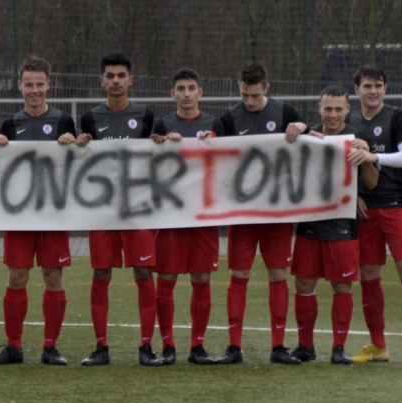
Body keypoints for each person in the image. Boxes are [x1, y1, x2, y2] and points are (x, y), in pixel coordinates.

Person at [0, 56, 77, 366]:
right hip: (20, 215)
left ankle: (50, 347)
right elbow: (0, 169)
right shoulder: (10, 124)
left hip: (53, 213)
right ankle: (14, 347)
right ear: (20, 86)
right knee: (17, 277)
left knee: (53, 277)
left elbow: (76, 166)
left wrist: (73, 143)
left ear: (48, 85)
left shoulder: (64, 121)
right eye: (29, 84)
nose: (34, 90)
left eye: (40, 84)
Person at [216, 62, 308, 365]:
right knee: (239, 275)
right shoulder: (229, 118)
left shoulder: (285, 113)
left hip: (277, 212)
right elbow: (212, 155)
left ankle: (278, 347)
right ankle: (234, 347)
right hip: (242, 214)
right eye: (245, 95)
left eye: (255, 95)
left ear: (267, 88)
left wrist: (305, 128)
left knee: (277, 274)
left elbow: (314, 144)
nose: (250, 102)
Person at [75, 54, 162, 367]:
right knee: (101, 272)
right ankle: (101, 347)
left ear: (130, 80)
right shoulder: (89, 118)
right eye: (109, 75)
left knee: (143, 271)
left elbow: (155, 155)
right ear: (102, 81)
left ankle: (146, 346)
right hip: (102, 210)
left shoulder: (146, 115)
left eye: (121, 75)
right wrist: (80, 144)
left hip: (137, 208)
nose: (115, 81)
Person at [347, 65, 402, 364]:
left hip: (398, 204)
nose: (373, 91)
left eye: (379, 85)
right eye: (368, 85)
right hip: (364, 210)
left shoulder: (398, 117)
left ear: (385, 88)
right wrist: (353, 195)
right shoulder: (348, 120)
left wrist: (373, 155)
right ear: (356, 88)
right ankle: (378, 346)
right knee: (368, 274)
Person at [292, 85, 379, 364]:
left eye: (338, 109)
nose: (333, 114)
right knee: (304, 283)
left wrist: (365, 159)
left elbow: (372, 182)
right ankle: (305, 346)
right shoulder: (307, 137)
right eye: (327, 108)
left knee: (342, 285)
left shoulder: (357, 139)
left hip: (342, 224)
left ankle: (338, 348)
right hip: (309, 222)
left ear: (348, 110)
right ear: (319, 108)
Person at [150, 68, 225, 365]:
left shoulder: (214, 124)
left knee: (201, 278)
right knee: (166, 278)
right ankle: (168, 345)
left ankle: (197, 346)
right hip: (171, 215)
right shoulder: (162, 124)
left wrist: (214, 141)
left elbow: (228, 162)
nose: (186, 93)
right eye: (180, 88)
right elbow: (150, 163)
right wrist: (162, 143)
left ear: (200, 92)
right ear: (173, 94)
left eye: (191, 88)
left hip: (204, 216)